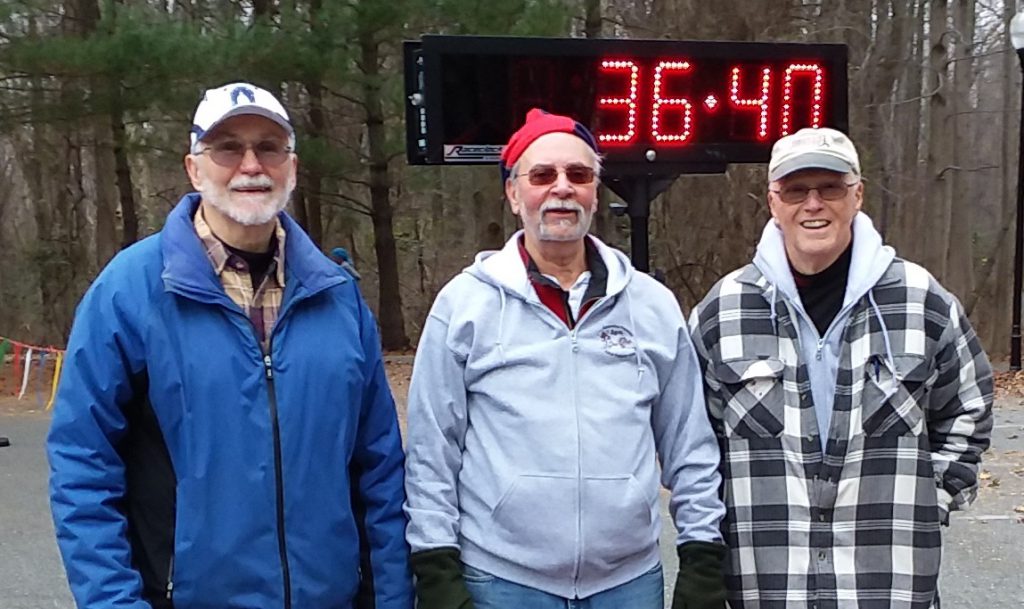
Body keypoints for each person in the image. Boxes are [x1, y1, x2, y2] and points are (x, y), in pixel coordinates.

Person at [47, 82, 412, 609]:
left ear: (292, 165)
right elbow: (82, 465)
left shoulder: (338, 298)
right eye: (228, 148)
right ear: (194, 168)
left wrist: (391, 597)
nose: (251, 165)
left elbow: (378, 467)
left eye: (269, 146)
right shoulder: (129, 291)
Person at [403, 108, 727, 609]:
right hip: (502, 580)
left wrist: (703, 556)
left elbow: (690, 443)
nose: (561, 188)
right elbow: (431, 450)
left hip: (628, 583)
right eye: (542, 175)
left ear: (596, 191)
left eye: (579, 175)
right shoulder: (465, 305)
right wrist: (436, 570)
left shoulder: (652, 305)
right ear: (514, 193)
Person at [689, 127, 994, 609]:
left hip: (890, 586)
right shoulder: (722, 312)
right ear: (773, 201)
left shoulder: (922, 301)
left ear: (857, 195)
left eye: (829, 188)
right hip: (766, 586)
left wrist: (928, 501)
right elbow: (698, 446)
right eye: (795, 190)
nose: (813, 204)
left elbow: (968, 412)